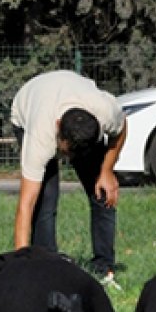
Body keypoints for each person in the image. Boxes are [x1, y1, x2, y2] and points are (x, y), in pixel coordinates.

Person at [10, 70, 129, 285]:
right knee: (45, 199)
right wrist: (20, 266)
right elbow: (26, 205)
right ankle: (45, 265)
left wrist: (107, 171)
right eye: (66, 152)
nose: (70, 159)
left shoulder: (105, 113)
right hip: (28, 105)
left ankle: (104, 267)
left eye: (75, 154)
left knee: (102, 192)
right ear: (58, 127)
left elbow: (121, 129)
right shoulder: (41, 136)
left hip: (73, 98)